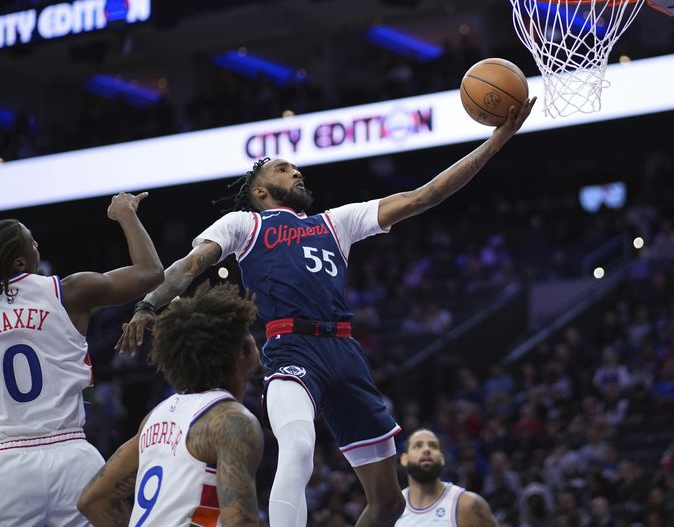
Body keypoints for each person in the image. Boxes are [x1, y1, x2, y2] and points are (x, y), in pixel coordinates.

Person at [118, 98, 536, 526]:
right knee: (299, 447)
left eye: (295, 168)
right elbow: (187, 267)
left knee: (389, 501)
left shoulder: (337, 223)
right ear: (260, 191)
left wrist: (496, 141)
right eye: (282, 169)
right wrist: (149, 303)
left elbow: (424, 195)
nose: (295, 172)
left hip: (344, 351)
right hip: (291, 348)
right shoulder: (244, 224)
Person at [0, 192, 163, 526]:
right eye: (33, 244)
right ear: (20, 263)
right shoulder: (69, 293)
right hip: (73, 459)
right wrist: (125, 213)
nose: (38, 248)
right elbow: (150, 271)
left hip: (4, 467)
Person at [77, 283, 264, 526]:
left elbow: (93, 500)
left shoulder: (156, 416)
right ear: (241, 349)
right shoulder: (232, 421)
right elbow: (239, 522)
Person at [396, 429, 500, 526]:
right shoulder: (392, 508)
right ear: (404, 459)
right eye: (418, 446)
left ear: (442, 459)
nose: (426, 450)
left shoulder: (468, 505)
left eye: (433, 446)